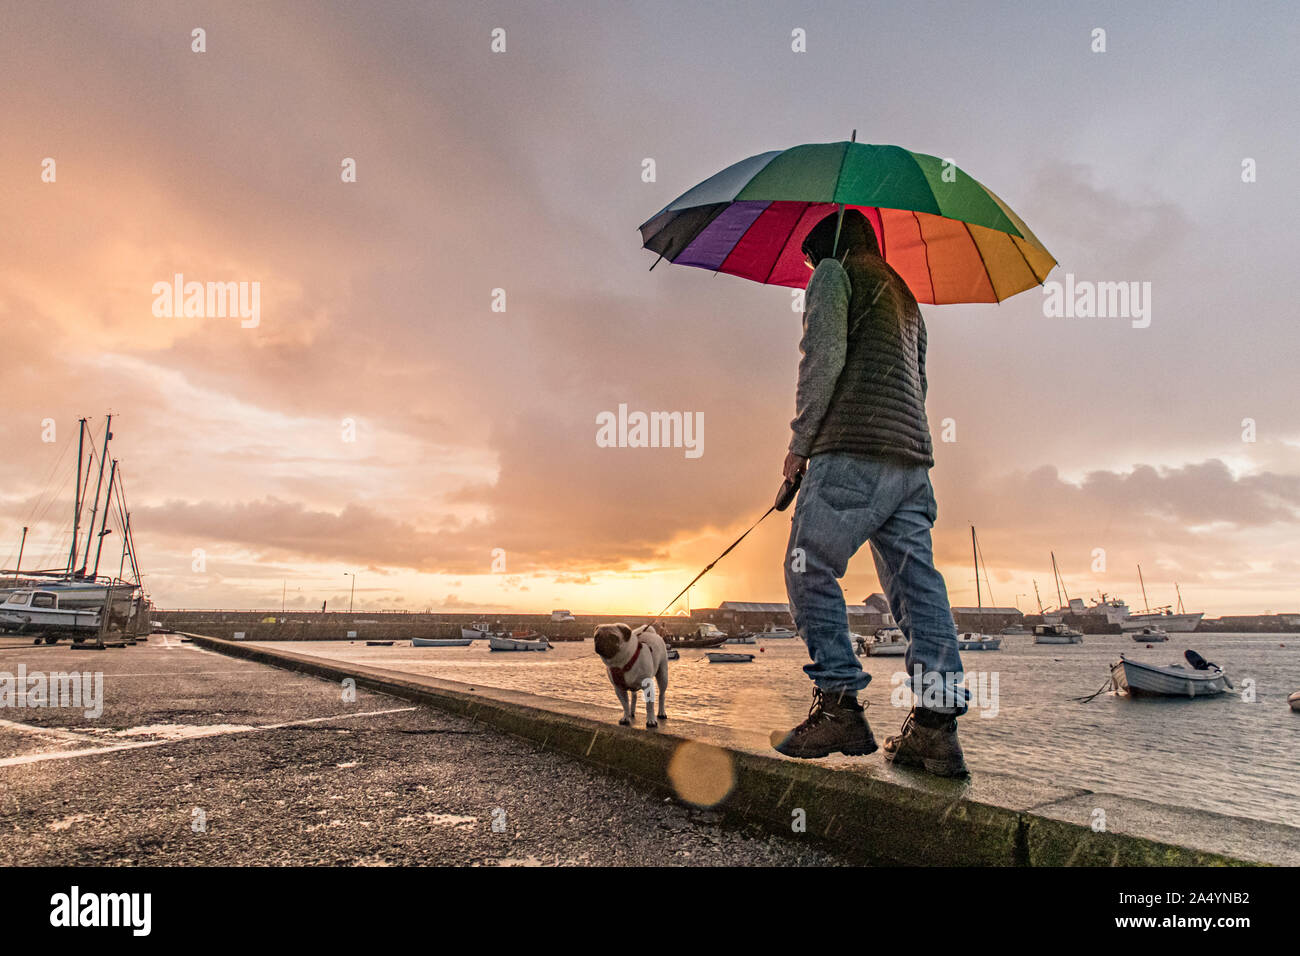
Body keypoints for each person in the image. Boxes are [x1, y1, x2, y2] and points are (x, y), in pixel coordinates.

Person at [771, 208, 969, 776]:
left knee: (808, 567)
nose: (811, 269)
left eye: (810, 258)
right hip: (911, 460)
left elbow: (823, 359)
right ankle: (935, 728)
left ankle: (839, 705)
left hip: (852, 446)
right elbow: (921, 382)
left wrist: (800, 444)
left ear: (826, 247)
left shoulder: (832, 272)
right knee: (917, 587)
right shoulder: (906, 296)